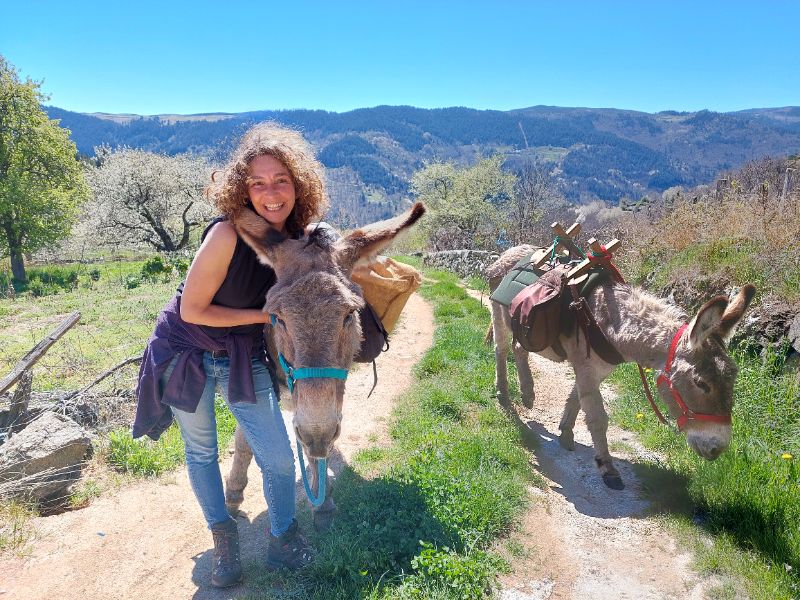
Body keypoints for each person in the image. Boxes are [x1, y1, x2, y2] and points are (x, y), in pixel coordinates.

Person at [132, 122, 327, 588]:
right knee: (201, 452)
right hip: (187, 349)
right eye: (257, 183)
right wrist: (265, 318)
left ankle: (282, 538)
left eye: (281, 180)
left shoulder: (300, 238)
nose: (270, 193)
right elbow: (194, 310)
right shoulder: (226, 234)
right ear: (242, 188)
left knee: (278, 458)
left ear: (298, 185)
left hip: (240, 353)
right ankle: (224, 539)